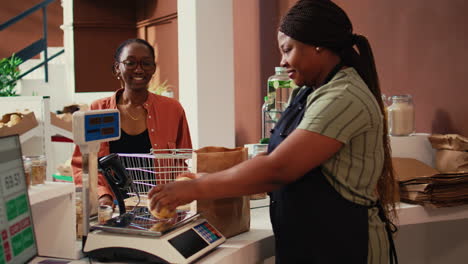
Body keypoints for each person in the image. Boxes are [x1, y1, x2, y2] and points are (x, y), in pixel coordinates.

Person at [149, 0, 398, 263]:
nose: (283, 61)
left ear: (318, 44)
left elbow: (279, 169)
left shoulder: (342, 96)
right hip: (312, 243)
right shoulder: (309, 92)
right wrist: (210, 176)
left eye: (287, 50)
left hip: (345, 245)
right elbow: (271, 157)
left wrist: (195, 189)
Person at [71, 38, 192, 207]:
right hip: (113, 206)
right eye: (130, 63)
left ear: (154, 69)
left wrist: (180, 186)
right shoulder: (98, 110)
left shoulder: (172, 109)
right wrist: (102, 196)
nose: (139, 69)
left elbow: (180, 162)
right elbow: (82, 165)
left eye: (146, 63)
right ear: (117, 69)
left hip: (159, 205)